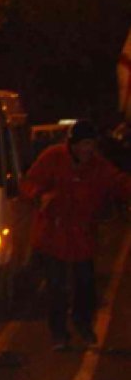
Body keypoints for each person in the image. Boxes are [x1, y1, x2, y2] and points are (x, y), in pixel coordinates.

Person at [20, 119, 131, 349]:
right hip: (53, 235)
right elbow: (29, 182)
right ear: (72, 145)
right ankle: (59, 334)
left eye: (90, 144)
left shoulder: (98, 166)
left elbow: (118, 182)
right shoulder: (53, 157)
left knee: (85, 286)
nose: (86, 150)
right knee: (56, 288)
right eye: (82, 144)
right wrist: (39, 197)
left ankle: (82, 323)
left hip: (82, 236)